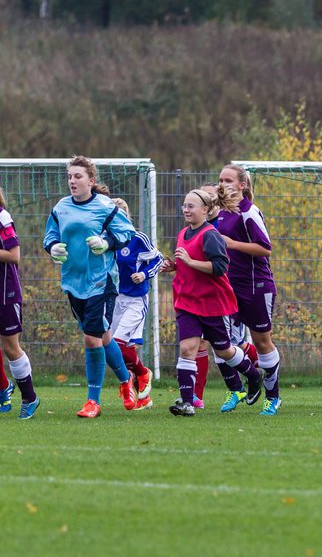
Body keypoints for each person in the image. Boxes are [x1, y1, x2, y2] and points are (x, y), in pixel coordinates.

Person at [43, 155, 139, 418]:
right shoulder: (61, 207)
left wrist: (106, 242)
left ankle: (92, 401)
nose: (72, 181)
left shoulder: (105, 207)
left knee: (91, 336)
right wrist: (53, 247)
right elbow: (50, 234)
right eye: (70, 177)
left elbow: (126, 232)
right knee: (103, 335)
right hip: (74, 282)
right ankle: (126, 380)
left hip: (102, 281)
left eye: (78, 176)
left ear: (91, 180)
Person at [160, 185, 263, 416]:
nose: (186, 210)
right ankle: (187, 402)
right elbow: (188, 262)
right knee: (187, 349)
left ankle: (254, 375)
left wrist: (190, 262)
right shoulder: (183, 233)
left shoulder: (211, 235)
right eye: (184, 205)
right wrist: (175, 266)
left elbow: (220, 267)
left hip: (211, 303)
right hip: (186, 301)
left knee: (224, 350)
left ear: (205, 209)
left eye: (191, 206)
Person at [216, 164, 284, 415]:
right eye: (220, 180)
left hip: (256, 287)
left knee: (262, 341)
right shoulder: (221, 212)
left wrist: (233, 243)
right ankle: (240, 386)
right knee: (223, 340)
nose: (223, 184)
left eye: (228, 180)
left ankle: (273, 397)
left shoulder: (249, 212)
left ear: (242, 185)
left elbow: (265, 248)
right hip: (229, 288)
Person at [109, 198, 162, 410]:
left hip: (135, 300)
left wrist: (144, 273)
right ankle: (144, 397)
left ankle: (141, 373)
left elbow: (158, 259)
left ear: (128, 217)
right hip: (113, 299)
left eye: (122, 215)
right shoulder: (107, 239)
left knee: (118, 344)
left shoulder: (138, 238)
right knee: (119, 347)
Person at [0, 187, 39, 419]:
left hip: (6, 293)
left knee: (10, 347)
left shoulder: (2, 216)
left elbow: (14, 255)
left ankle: (30, 397)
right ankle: (4, 389)